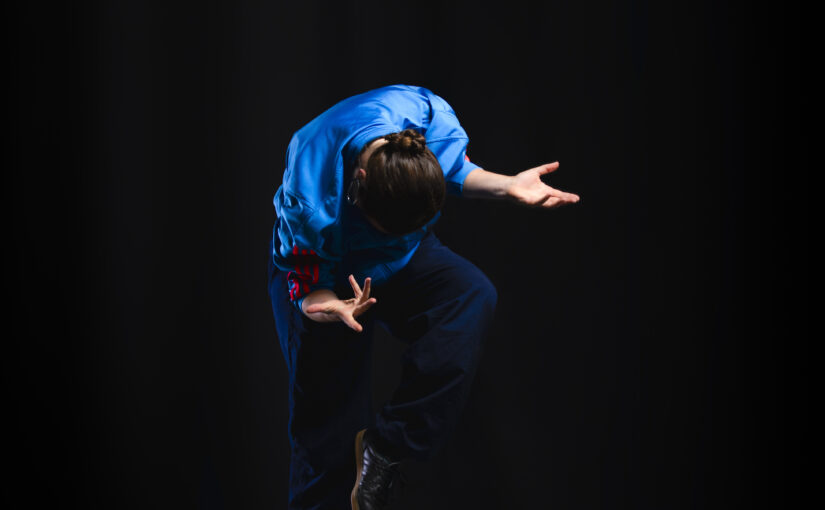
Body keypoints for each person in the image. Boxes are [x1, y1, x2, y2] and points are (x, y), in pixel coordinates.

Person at [267, 84, 579, 510]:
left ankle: (387, 447)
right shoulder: (312, 177)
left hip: (404, 257)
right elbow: (306, 284)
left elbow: (457, 169)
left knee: (470, 294)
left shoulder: (421, 114)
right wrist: (330, 305)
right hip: (326, 275)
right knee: (327, 436)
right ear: (358, 185)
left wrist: (507, 186)